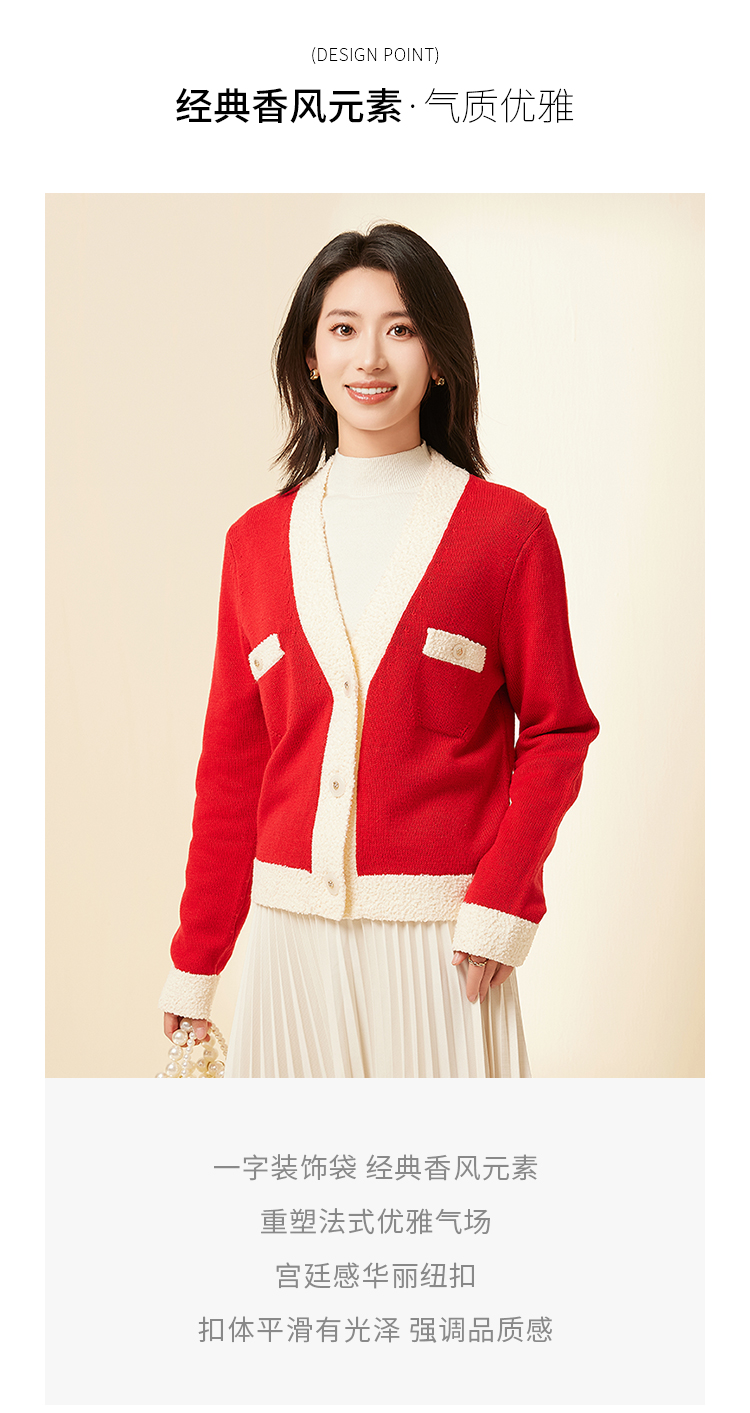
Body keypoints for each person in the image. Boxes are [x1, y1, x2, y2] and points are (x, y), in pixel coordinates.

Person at [158, 222, 599, 1078]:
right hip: (288, 941)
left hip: (446, 944)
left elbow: (559, 730)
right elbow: (233, 768)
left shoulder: (507, 534)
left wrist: (501, 903)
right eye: (343, 328)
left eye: (401, 328)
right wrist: (197, 960)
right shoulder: (254, 544)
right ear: (310, 357)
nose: (370, 357)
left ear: (440, 357)